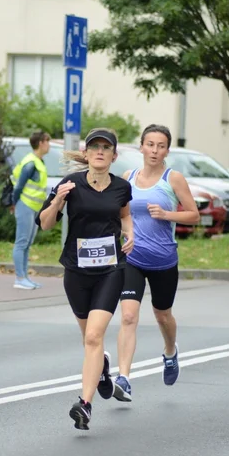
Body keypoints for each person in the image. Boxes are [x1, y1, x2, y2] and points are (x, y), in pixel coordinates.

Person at [36, 129, 134, 431]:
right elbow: (45, 223)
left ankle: (86, 404)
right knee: (88, 338)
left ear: (114, 156)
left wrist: (129, 234)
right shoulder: (69, 185)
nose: (100, 152)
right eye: (95, 147)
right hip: (77, 272)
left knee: (94, 337)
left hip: (111, 269)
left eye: (106, 148)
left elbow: (125, 215)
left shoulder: (121, 187)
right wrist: (57, 203)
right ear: (87, 154)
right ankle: (102, 370)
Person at [113, 124, 200, 402]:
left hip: (163, 260)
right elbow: (121, 215)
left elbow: (194, 215)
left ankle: (171, 350)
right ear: (141, 147)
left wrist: (166, 214)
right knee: (128, 316)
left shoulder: (172, 179)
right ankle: (124, 378)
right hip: (132, 258)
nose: (154, 150)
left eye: (160, 145)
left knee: (163, 315)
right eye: (150, 144)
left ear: (167, 150)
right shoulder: (128, 177)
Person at [10, 131, 51, 290]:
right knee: (21, 242)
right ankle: (19, 278)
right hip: (25, 205)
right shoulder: (30, 162)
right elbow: (18, 186)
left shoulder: (38, 161)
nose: (48, 145)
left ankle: (25, 277)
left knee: (27, 243)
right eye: (47, 141)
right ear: (41, 143)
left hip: (34, 207)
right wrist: (15, 204)